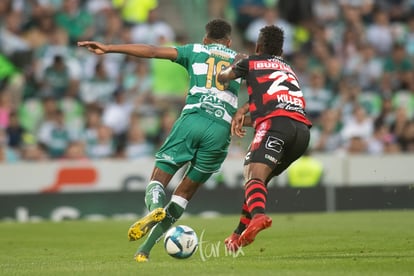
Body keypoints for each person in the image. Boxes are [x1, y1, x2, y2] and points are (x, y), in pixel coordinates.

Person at [78, 19, 241, 262]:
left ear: (205, 39)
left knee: (158, 180)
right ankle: (145, 249)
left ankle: (155, 208)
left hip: (193, 118)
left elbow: (152, 51)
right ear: (229, 41)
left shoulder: (194, 50)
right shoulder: (241, 59)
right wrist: (243, 112)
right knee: (183, 195)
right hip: (221, 128)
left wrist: (109, 48)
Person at [218, 25, 312, 251]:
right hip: (301, 133)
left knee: (252, 176)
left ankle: (259, 217)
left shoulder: (250, 61)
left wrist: (234, 64)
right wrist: (244, 114)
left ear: (258, 46)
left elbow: (223, 78)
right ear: (280, 51)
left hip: (276, 125)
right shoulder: (288, 68)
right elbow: (273, 105)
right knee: (257, 182)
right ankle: (238, 234)